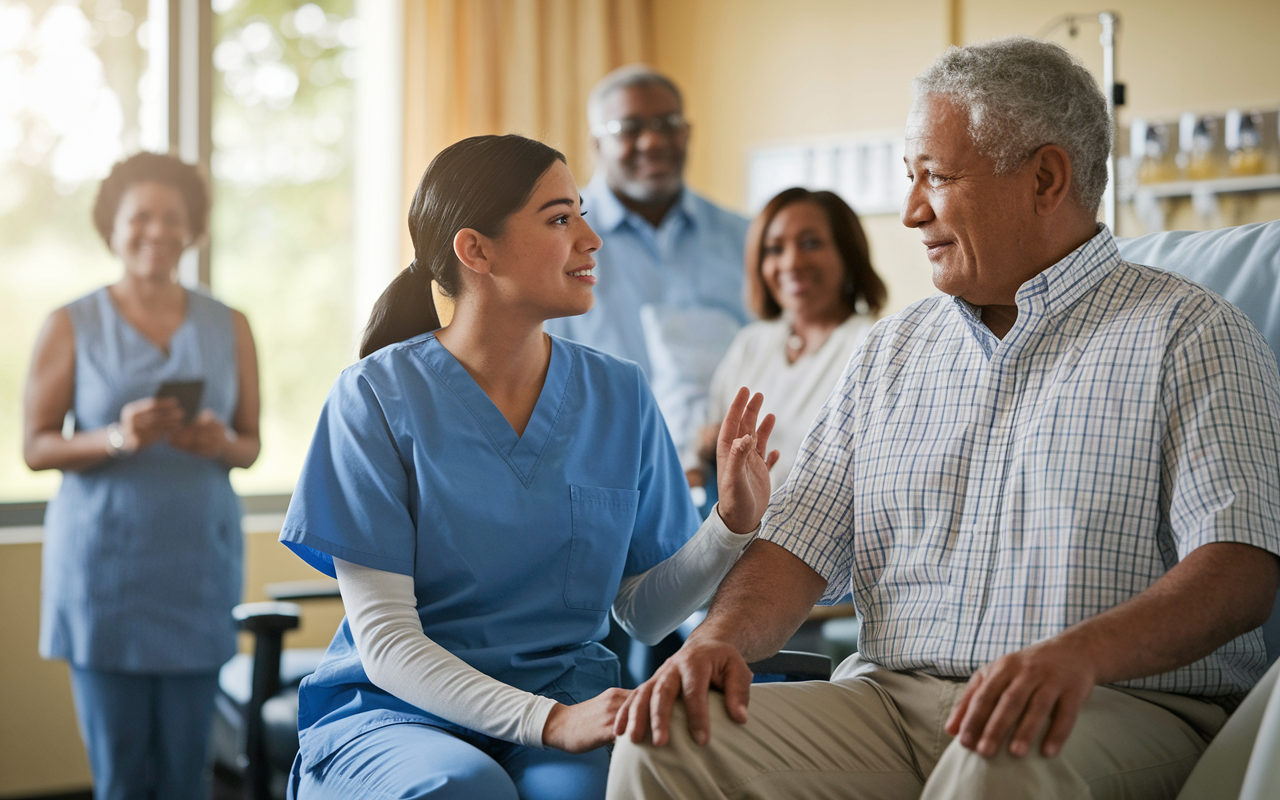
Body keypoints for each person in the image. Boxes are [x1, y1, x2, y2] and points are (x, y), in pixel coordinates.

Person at [606, 37, 1280, 800]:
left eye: (936, 177)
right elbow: (793, 547)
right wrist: (717, 642)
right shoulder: (892, 351)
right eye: (909, 179)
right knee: (663, 741)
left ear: (1046, 178)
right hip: (890, 705)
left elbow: (1239, 573)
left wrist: (1079, 656)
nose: (911, 211)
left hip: (1114, 702)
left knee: (999, 763)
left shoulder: (1191, 334)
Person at [277, 134, 779, 800]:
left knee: (600, 790)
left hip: (570, 694)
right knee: (462, 788)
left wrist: (729, 526)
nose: (592, 239)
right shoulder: (373, 398)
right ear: (475, 249)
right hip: (399, 710)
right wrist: (549, 722)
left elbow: (644, 615)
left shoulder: (619, 395)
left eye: (583, 212)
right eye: (560, 218)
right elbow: (389, 642)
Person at [23, 151, 261, 800]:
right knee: (123, 778)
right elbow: (36, 447)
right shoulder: (69, 324)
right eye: (141, 217)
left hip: (196, 572)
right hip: (105, 577)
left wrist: (217, 441)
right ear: (112, 225)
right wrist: (119, 436)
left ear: (193, 229)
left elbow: (250, 445)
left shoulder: (231, 324)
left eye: (172, 218)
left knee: (188, 776)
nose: (156, 231)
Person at [544, 65, 751, 479]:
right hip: (601, 474)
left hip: (733, 479)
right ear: (596, 144)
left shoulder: (749, 240)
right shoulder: (554, 243)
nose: (652, 141)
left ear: (687, 133)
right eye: (629, 127)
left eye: (667, 124)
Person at [692, 188, 887, 492]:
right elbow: (707, 439)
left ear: (847, 254)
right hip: (736, 531)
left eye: (811, 243)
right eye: (773, 249)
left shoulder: (872, 346)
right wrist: (707, 446)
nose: (791, 263)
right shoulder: (752, 343)